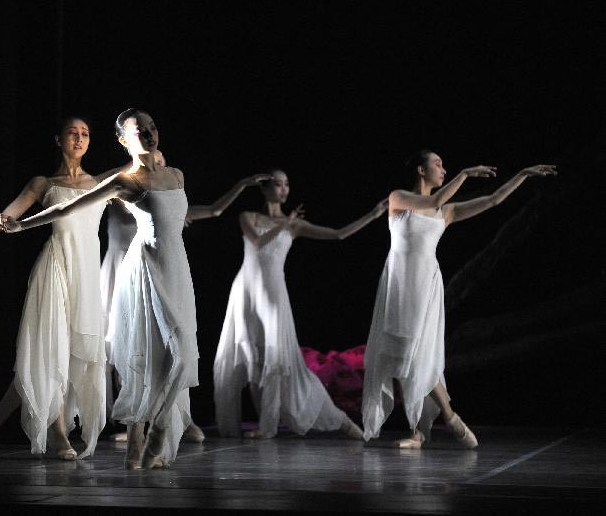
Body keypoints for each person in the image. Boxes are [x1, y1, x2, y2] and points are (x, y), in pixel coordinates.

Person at [0, 109, 212, 468]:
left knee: (184, 352)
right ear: (122, 140)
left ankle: (144, 438)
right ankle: (150, 433)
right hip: (146, 269)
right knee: (158, 353)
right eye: (138, 130)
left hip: (178, 268)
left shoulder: (176, 176)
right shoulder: (126, 181)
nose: (147, 133)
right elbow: (68, 207)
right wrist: (21, 225)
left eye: (151, 126)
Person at [361, 151, 556, 448]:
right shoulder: (398, 198)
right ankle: (420, 430)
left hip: (425, 285)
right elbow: (431, 201)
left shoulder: (446, 212)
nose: (443, 168)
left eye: (444, 165)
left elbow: (492, 200)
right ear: (420, 169)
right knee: (402, 356)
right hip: (400, 283)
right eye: (437, 164)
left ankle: (449, 419)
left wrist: (522, 175)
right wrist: (464, 174)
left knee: (418, 354)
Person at [0, 117, 107, 459]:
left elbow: (139, 174)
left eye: (85, 133)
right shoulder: (43, 183)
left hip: (88, 276)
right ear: (58, 139)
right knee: (53, 351)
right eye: (72, 133)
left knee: (45, 361)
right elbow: (2, 223)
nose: (79, 138)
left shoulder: (101, 182)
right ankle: (59, 434)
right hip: (56, 271)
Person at [101, 149, 268, 443]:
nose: (159, 165)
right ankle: (134, 424)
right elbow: (97, 185)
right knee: (123, 345)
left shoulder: (164, 199)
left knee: (170, 344)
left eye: (163, 162)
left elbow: (215, 210)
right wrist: (132, 166)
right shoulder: (123, 190)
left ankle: (172, 417)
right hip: (123, 273)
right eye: (155, 161)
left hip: (158, 277)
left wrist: (241, 185)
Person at [214, 169, 386, 440]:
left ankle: (325, 421)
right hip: (245, 291)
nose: (283, 189)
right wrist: (283, 224)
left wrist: (372, 214)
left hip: (272, 292)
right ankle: (262, 423)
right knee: (251, 357)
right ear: (265, 189)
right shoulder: (248, 217)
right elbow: (257, 242)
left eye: (286, 184)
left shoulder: (292, 224)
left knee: (277, 359)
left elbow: (338, 234)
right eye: (278, 184)